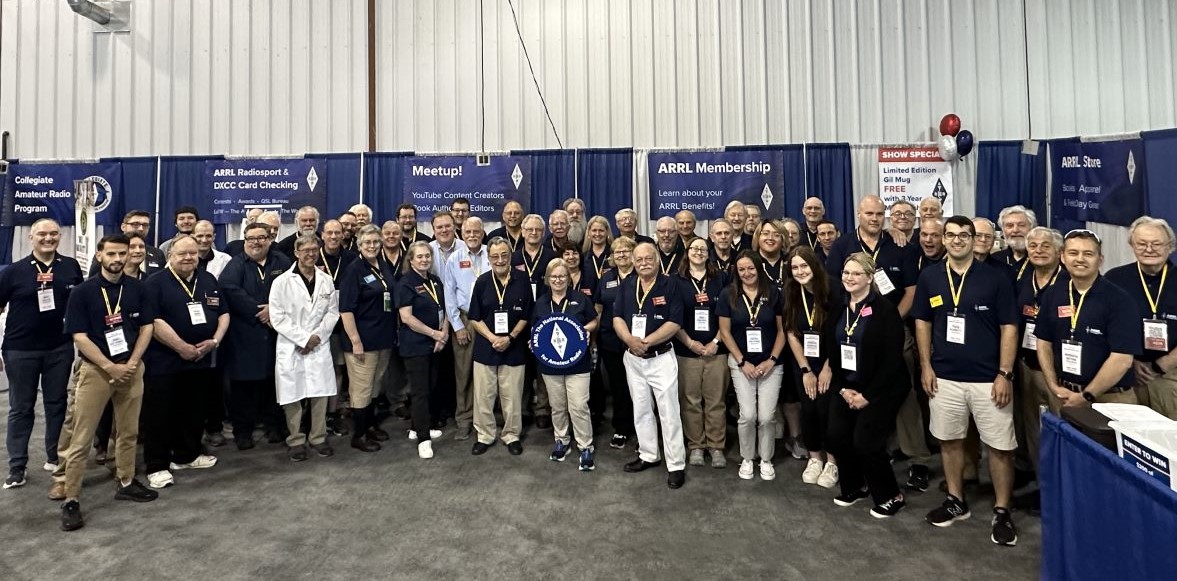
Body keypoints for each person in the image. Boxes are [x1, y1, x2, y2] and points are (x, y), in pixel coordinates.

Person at [913, 216, 1019, 546]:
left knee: (1000, 447)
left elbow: (1009, 327)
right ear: (943, 239)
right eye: (951, 235)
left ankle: (1002, 510)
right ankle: (956, 500)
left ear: (974, 240)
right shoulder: (930, 276)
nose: (957, 240)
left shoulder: (996, 278)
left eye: (964, 235)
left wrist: (1004, 373)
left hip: (988, 378)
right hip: (944, 377)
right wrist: (926, 366)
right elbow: (922, 322)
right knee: (949, 440)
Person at [59, 234, 158, 531]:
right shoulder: (83, 292)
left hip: (131, 368)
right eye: (111, 254)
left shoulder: (139, 288)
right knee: (82, 437)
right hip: (96, 371)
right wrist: (109, 366)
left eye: (122, 254)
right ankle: (71, 498)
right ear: (99, 255)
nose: (117, 259)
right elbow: (79, 337)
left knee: (128, 431)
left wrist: (132, 363)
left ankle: (125, 481)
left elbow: (147, 327)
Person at [1, 219, 84, 490]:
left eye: (53, 234)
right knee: (21, 408)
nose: (48, 238)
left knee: (57, 404)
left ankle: (55, 457)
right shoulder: (14, 271)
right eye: (42, 234)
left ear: (59, 237)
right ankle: (17, 467)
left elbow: (78, 306)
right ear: (31, 237)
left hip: (59, 348)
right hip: (19, 349)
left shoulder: (70, 267)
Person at [826, 252, 909, 519]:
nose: (849, 278)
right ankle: (856, 486)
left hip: (881, 387)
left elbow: (892, 360)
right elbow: (832, 350)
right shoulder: (838, 307)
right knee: (837, 436)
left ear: (870, 278)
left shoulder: (885, 310)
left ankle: (891, 495)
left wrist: (867, 395)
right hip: (847, 386)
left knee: (865, 442)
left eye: (856, 273)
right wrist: (842, 389)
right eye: (846, 273)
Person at [141, 236, 227, 489]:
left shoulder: (207, 279)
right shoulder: (155, 282)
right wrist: (181, 347)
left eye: (193, 253)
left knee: (194, 409)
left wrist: (215, 341)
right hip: (165, 361)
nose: (188, 257)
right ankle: (157, 465)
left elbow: (223, 313)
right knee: (160, 413)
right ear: (170, 255)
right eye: (182, 253)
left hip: (201, 359)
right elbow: (153, 321)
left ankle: (187, 455)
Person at [1035, 229, 1140, 409]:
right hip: (1063, 395)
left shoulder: (1120, 300)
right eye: (1073, 253)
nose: (1080, 259)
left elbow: (1122, 358)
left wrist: (1087, 395)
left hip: (1110, 399)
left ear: (1100, 259)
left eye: (1088, 254)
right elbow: (1043, 342)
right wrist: (1053, 385)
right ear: (1062, 257)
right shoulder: (1053, 294)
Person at [615, 242, 687, 489]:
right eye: (639, 259)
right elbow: (617, 317)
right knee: (642, 409)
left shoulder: (670, 285)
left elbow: (674, 322)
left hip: (660, 357)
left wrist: (645, 342)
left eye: (649, 258)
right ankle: (648, 454)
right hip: (633, 359)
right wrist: (629, 340)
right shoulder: (627, 285)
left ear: (657, 260)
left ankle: (675, 464)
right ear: (633, 262)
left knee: (669, 412)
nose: (644, 263)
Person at [218, 222, 293, 450]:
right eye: (251, 238)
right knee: (243, 388)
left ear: (270, 239)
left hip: (275, 334)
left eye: (261, 238)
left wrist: (273, 310)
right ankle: (243, 432)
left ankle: (274, 426)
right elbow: (230, 290)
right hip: (244, 335)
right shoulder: (236, 264)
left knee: (273, 384)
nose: (256, 243)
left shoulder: (282, 261)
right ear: (244, 240)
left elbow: (293, 288)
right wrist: (260, 312)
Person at [269, 235, 340, 462]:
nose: (311, 254)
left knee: (320, 393)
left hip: (318, 344)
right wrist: (303, 339)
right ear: (296, 252)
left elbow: (332, 313)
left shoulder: (326, 280)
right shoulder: (281, 282)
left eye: (314, 250)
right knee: (292, 395)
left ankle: (318, 437)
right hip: (292, 346)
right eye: (306, 250)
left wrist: (316, 337)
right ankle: (296, 440)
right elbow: (277, 317)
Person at [718, 251, 787, 481]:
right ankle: (747, 457)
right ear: (736, 272)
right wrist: (741, 361)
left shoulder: (773, 293)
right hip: (741, 364)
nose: (747, 273)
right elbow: (725, 333)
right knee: (747, 415)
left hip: (770, 364)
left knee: (766, 416)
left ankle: (765, 459)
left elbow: (782, 331)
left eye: (751, 268)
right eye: (741, 269)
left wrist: (772, 360)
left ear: (759, 268)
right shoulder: (728, 294)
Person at [466, 237, 533, 456]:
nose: (500, 260)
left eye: (504, 255)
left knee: (512, 395)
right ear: (489, 258)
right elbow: (474, 317)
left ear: (510, 255)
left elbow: (527, 314)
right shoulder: (482, 282)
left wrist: (510, 338)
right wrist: (492, 337)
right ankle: (484, 435)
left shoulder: (523, 280)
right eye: (495, 256)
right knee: (483, 396)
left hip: (514, 346)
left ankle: (511, 435)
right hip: (486, 346)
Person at [1105, 217, 1177, 416]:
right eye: (1142, 244)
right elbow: (1104, 326)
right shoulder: (1114, 279)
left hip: (1171, 377)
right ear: (1132, 245)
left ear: (1170, 246)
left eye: (1156, 244)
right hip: (1126, 376)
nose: (1149, 249)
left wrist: (1161, 365)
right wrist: (1130, 362)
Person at [533, 258, 600, 470]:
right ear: (547, 279)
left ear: (569, 278)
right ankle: (561, 440)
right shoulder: (541, 302)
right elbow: (536, 329)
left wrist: (585, 330)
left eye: (562, 276)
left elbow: (593, 320)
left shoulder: (580, 299)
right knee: (557, 406)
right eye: (554, 276)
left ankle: (585, 445)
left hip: (578, 363)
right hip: (550, 365)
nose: (558, 280)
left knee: (578, 406)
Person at [339, 225, 399, 452]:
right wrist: (355, 341)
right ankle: (359, 434)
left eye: (375, 242)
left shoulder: (382, 265)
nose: (372, 246)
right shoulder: (353, 270)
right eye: (367, 243)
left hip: (383, 338)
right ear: (359, 245)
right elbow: (346, 309)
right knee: (361, 389)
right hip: (362, 341)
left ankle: (371, 425)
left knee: (375, 386)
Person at [1013, 227, 1066, 481]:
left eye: (1046, 246)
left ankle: (1061, 480)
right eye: (1033, 246)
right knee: (1032, 425)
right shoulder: (1023, 279)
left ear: (1059, 251)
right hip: (1026, 365)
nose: (1039, 251)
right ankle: (1041, 479)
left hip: (1058, 371)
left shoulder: (1069, 281)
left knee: (1060, 425)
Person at [785, 246, 839, 488]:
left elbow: (841, 331)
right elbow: (790, 332)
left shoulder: (832, 288)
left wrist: (829, 366)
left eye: (804, 266)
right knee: (808, 410)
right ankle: (815, 457)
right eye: (795, 267)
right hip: (805, 363)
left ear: (814, 266)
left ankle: (833, 461)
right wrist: (806, 370)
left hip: (831, 360)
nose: (800, 271)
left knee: (827, 411)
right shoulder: (791, 291)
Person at [674, 237, 729, 469]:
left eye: (703, 249)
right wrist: (690, 344)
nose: (698, 252)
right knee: (690, 401)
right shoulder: (676, 281)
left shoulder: (721, 278)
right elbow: (673, 318)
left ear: (709, 253)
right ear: (687, 252)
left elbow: (727, 314)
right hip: (687, 351)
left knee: (716, 400)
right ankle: (696, 445)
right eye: (694, 248)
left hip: (717, 350)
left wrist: (716, 341)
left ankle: (716, 446)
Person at [396, 241, 449, 459]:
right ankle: (423, 439)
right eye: (419, 256)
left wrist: (443, 334)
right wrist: (434, 333)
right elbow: (406, 318)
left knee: (431, 387)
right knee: (420, 392)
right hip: (416, 345)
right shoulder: (405, 283)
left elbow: (445, 308)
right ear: (411, 260)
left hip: (435, 343)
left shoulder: (435, 281)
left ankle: (416, 427)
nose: (424, 260)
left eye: (427, 256)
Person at [443, 217, 488, 441]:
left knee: (489, 372)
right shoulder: (455, 259)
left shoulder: (493, 254)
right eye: (467, 232)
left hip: (490, 319)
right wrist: (457, 326)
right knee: (464, 372)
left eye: (476, 231)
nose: (472, 235)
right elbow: (449, 294)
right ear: (461, 233)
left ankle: (486, 419)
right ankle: (464, 419)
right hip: (465, 318)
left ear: (482, 232)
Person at [513, 214, 557, 428]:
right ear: (522, 231)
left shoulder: (551, 256)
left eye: (538, 230)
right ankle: (522, 409)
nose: (533, 233)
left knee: (543, 364)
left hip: (544, 316)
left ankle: (542, 409)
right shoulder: (514, 257)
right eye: (529, 229)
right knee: (522, 365)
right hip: (518, 317)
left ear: (543, 232)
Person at [596, 236, 637, 449]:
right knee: (618, 385)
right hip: (610, 340)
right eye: (617, 252)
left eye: (626, 251)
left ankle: (643, 429)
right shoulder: (606, 277)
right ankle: (621, 428)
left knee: (639, 387)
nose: (621, 255)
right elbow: (598, 306)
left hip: (637, 341)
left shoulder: (641, 275)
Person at [89, 210, 166, 275]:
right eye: (135, 224)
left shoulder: (157, 254)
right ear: (123, 227)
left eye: (145, 225)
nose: (141, 228)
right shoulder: (107, 252)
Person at [992, 206, 1037, 276]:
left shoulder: (1041, 257)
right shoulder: (995, 259)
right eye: (1010, 226)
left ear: (1032, 229)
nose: (1015, 230)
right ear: (1003, 231)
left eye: (1021, 225)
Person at [754, 220, 788, 287]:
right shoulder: (750, 263)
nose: (770, 238)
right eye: (766, 233)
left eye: (776, 235)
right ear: (758, 237)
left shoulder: (790, 263)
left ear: (783, 239)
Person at [582, 215, 614, 281]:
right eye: (594, 230)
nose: (597, 234)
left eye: (601, 230)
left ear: (607, 232)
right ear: (589, 233)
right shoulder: (583, 257)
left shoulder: (614, 254)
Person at [429, 211, 459, 277]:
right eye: (439, 227)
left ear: (454, 228)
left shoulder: (465, 248)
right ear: (434, 230)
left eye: (447, 226)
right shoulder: (427, 250)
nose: (444, 230)